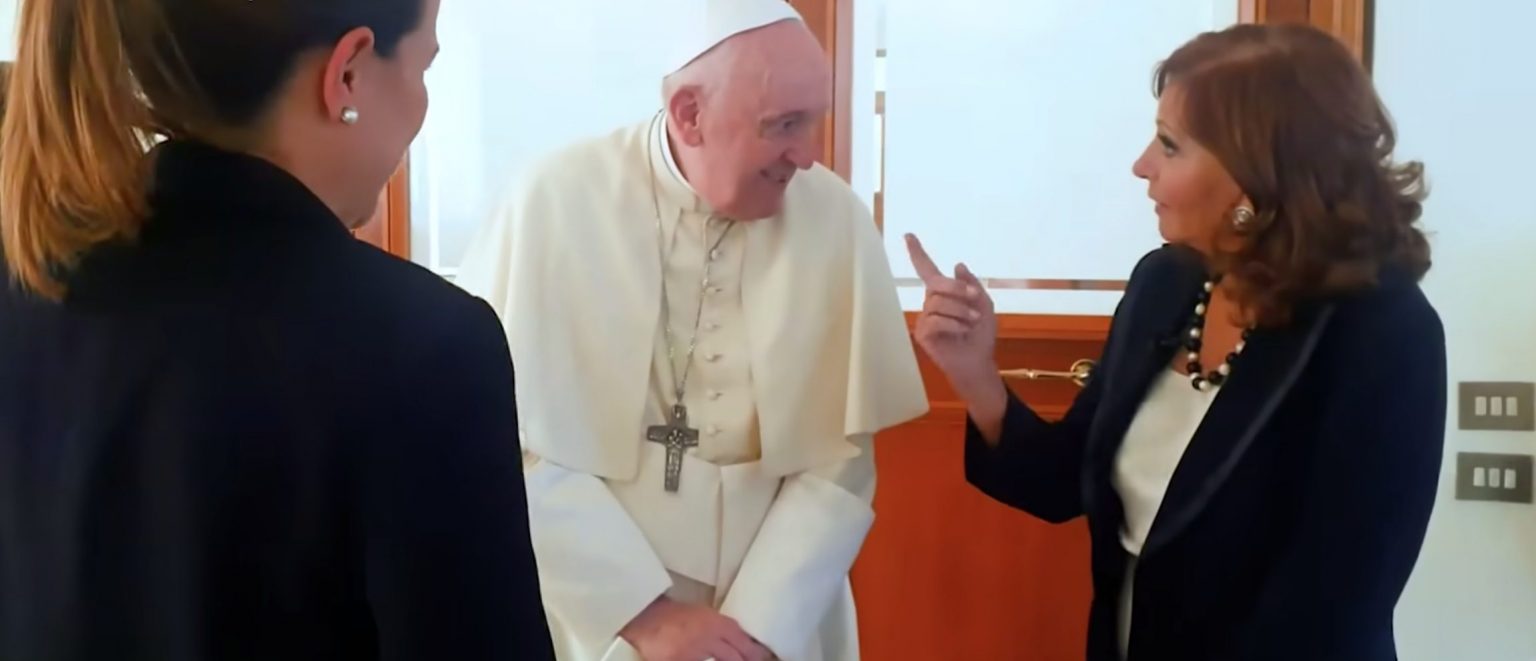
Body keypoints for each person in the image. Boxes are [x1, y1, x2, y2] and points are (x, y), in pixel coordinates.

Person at [0, 1, 553, 659]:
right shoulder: (425, 350)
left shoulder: (28, 283)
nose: (421, 105)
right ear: (347, 73)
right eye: (423, 68)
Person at [906, 23, 1445, 661]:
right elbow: (1063, 480)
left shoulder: (1384, 334)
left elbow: (1332, 609)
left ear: (1254, 176)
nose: (1141, 165)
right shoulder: (1164, 283)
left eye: (1169, 144)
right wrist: (975, 374)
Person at [455, 1, 928, 660]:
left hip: (779, 613)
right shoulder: (554, 202)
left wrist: (760, 626)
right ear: (689, 114)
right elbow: (512, 440)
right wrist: (643, 613)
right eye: (784, 124)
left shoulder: (834, 219)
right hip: (600, 612)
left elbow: (842, 459)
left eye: (815, 120)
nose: (808, 155)